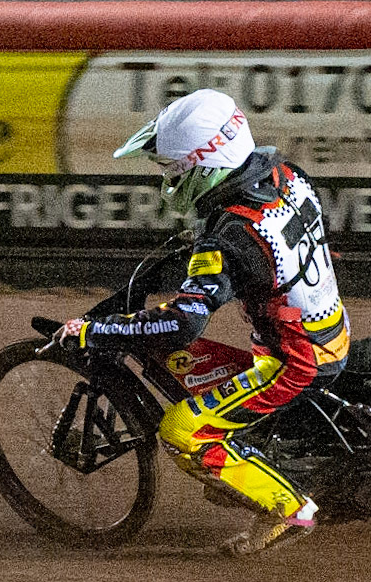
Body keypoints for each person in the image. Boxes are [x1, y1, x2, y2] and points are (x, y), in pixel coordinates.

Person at [54, 89, 350, 555]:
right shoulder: (286, 175)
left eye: (172, 171)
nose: (167, 181)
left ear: (204, 167)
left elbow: (183, 323)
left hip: (296, 360)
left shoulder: (229, 238)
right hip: (326, 324)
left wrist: (98, 330)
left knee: (180, 429)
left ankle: (288, 508)